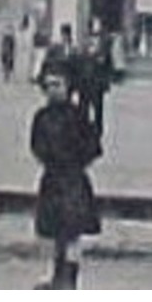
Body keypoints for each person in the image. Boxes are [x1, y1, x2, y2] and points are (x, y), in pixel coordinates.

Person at [30, 69, 103, 289]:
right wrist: (47, 158)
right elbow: (35, 144)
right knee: (54, 232)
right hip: (52, 178)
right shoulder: (41, 116)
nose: (53, 90)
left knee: (72, 231)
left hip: (73, 180)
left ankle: (69, 277)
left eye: (58, 84)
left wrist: (76, 161)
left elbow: (93, 146)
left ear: (68, 87)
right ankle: (56, 274)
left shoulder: (78, 116)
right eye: (49, 85)